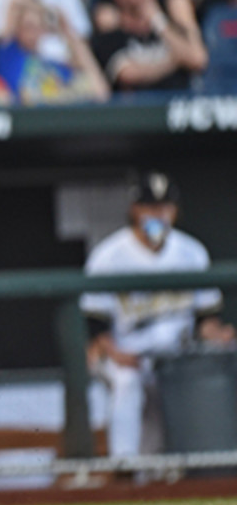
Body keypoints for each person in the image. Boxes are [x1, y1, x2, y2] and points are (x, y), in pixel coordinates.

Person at [80, 171, 236, 459]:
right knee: (127, 383)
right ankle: (124, 466)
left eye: (165, 207)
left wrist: (220, 336)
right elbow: (95, 326)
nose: (159, 214)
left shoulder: (192, 252)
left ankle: (202, 466)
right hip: (127, 353)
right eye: (151, 207)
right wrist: (116, 354)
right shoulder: (109, 255)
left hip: (178, 355)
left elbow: (206, 320)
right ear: (135, 210)